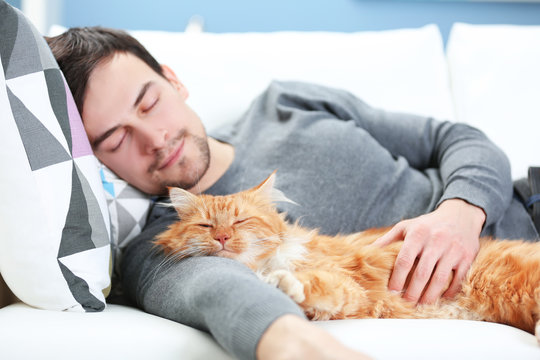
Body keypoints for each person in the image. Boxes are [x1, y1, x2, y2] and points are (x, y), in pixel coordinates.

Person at [46, 27, 539, 360]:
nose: (153, 139)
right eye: (116, 139)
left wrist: (459, 213)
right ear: (97, 160)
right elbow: (214, 291)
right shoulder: (163, 240)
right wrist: (286, 337)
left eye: (149, 103)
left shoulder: (285, 101)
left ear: (173, 80)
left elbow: (455, 138)